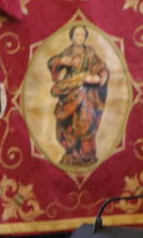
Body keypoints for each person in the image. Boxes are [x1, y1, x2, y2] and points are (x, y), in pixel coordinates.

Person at [47, 23, 109, 167]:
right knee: (67, 124)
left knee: (85, 121)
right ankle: (72, 152)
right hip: (69, 91)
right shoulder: (67, 52)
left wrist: (104, 74)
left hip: (86, 92)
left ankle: (86, 154)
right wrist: (63, 61)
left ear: (86, 37)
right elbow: (52, 62)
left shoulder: (90, 52)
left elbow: (100, 66)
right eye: (77, 35)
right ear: (72, 37)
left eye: (82, 35)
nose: (80, 37)